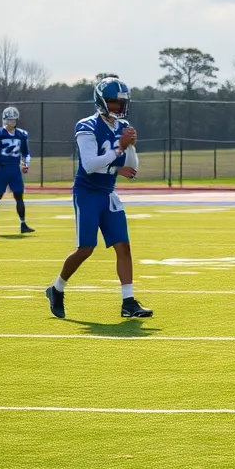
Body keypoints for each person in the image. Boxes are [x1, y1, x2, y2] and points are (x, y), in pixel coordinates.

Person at [45, 77, 151, 319]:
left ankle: (128, 302)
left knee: (123, 246)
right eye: (114, 103)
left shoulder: (121, 125)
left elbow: (132, 169)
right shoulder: (86, 126)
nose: (119, 108)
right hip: (88, 193)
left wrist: (131, 147)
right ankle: (57, 288)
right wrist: (120, 149)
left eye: (121, 103)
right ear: (102, 102)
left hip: (108, 192)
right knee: (86, 248)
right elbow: (89, 164)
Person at [0, 106, 35, 234]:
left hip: (15, 169)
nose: (12, 122)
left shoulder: (21, 135)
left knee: (19, 196)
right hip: (2, 169)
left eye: (14, 120)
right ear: (4, 120)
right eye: (10, 120)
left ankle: (23, 224)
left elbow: (26, 153)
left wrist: (26, 164)